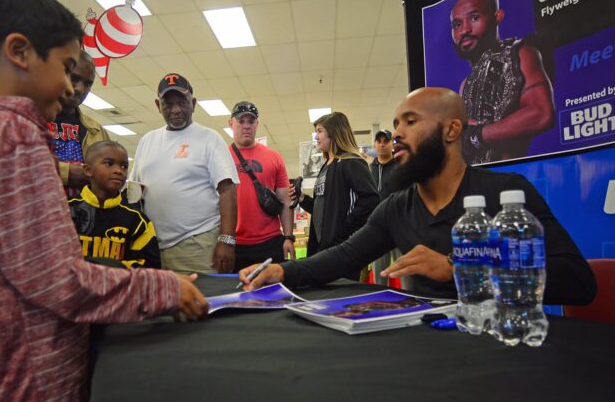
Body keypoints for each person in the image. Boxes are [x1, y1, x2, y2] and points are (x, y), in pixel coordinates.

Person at [0, 0, 207, 402]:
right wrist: (163, 286)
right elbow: (58, 282)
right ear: (20, 52)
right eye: (67, 69)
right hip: (23, 396)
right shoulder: (13, 136)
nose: (74, 89)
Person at [239, 87, 596, 308]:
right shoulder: (397, 207)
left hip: (498, 350)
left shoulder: (506, 194)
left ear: (452, 130)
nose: (396, 135)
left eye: (410, 122)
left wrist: (460, 269)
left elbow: (578, 282)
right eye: (396, 125)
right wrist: (281, 271)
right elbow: (341, 258)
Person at [130, 73, 239, 274]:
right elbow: (135, 191)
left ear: (194, 103)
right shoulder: (147, 141)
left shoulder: (209, 138)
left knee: (198, 303)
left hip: (196, 244)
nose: (176, 110)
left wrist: (227, 240)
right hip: (152, 246)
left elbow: (227, 190)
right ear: (157, 105)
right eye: (167, 104)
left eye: (182, 102)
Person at [451, 0, 555, 164]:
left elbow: (541, 112)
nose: (464, 30)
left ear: (498, 16)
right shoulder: (466, 84)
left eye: (474, 18)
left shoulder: (522, 53)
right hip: (475, 182)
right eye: (457, 25)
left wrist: (480, 135)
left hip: (510, 177)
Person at [290, 112, 378, 279]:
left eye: (320, 131)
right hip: (322, 248)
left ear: (334, 132)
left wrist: (344, 230)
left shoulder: (351, 161)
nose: (316, 137)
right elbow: (323, 206)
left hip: (342, 249)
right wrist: (302, 198)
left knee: (340, 298)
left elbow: (370, 199)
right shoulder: (326, 167)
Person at [69, 140, 161, 269]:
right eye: (109, 164)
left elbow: (148, 267)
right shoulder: (66, 212)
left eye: (124, 166)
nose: (118, 170)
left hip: (121, 288)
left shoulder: (137, 221)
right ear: (88, 170)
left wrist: (108, 273)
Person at [227, 101, 294, 272]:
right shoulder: (220, 156)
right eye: (241, 121)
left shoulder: (274, 157)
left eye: (251, 121)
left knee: (273, 296)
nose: (246, 126)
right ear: (231, 123)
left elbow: (285, 200)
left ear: (257, 124)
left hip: (270, 243)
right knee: (234, 297)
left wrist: (288, 238)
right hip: (233, 244)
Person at [48, 50, 109, 198]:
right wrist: (66, 172)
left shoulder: (96, 130)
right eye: (74, 78)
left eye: (88, 84)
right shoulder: (29, 119)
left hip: (83, 216)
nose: (80, 89)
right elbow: (13, 167)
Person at [368, 129, 401, 286]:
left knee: (405, 272)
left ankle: (412, 304)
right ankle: (381, 305)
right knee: (379, 276)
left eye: (386, 141)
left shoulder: (401, 167)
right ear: (374, 145)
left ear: (392, 144)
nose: (382, 144)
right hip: (377, 228)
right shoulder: (368, 170)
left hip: (399, 227)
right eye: (379, 141)